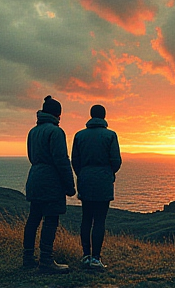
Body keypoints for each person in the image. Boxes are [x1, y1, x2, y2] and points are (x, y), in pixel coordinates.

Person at [23, 95, 76, 274]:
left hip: (35, 178)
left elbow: (31, 156)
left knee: (33, 219)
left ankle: (28, 258)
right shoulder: (56, 132)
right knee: (50, 220)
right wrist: (70, 185)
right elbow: (61, 160)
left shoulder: (33, 131)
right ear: (57, 115)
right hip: (51, 182)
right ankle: (46, 261)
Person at [71, 104, 122, 269]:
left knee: (86, 218)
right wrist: (108, 172)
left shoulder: (79, 135)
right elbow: (116, 161)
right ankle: (96, 258)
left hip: (85, 179)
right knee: (100, 220)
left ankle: (85, 255)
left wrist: (83, 173)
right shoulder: (110, 135)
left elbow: (75, 161)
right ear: (104, 116)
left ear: (91, 115)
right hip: (103, 181)